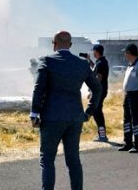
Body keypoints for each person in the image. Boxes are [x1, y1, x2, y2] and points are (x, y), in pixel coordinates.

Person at [31, 31, 102, 190]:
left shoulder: (47, 61)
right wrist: (89, 112)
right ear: (70, 45)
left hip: (51, 118)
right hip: (75, 118)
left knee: (47, 160)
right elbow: (97, 88)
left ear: (54, 44)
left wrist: (34, 114)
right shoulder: (82, 63)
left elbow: (38, 89)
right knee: (73, 160)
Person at [118, 43, 138, 153]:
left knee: (136, 120)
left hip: (136, 96)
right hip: (128, 95)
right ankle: (127, 142)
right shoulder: (130, 65)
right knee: (127, 119)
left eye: (125, 52)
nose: (125, 55)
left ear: (129, 53)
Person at [87, 44, 109, 142]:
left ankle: (102, 135)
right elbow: (94, 68)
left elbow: (98, 78)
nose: (92, 53)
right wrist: (89, 60)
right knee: (97, 111)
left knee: (97, 112)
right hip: (101, 90)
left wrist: (92, 91)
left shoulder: (101, 63)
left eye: (93, 51)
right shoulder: (100, 62)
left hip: (99, 91)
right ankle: (102, 135)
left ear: (96, 51)